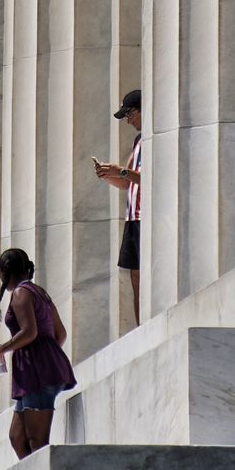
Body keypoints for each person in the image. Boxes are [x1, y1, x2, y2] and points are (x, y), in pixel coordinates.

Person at [0, 248, 76, 459]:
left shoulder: (20, 293)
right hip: (37, 369)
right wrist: (48, 354)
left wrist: (2, 348)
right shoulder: (39, 292)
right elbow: (59, 333)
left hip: (37, 373)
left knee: (37, 440)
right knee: (17, 438)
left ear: (6, 272)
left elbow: (29, 331)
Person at [94, 89, 142, 325]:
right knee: (134, 274)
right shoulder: (138, 140)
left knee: (142, 273)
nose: (128, 120)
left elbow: (147, 176)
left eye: (130, 114)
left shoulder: (155, 137)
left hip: (145, 215)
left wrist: (120, 170)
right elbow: (127, 182)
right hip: (133, 217)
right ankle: (140, 324)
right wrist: (108, 175)